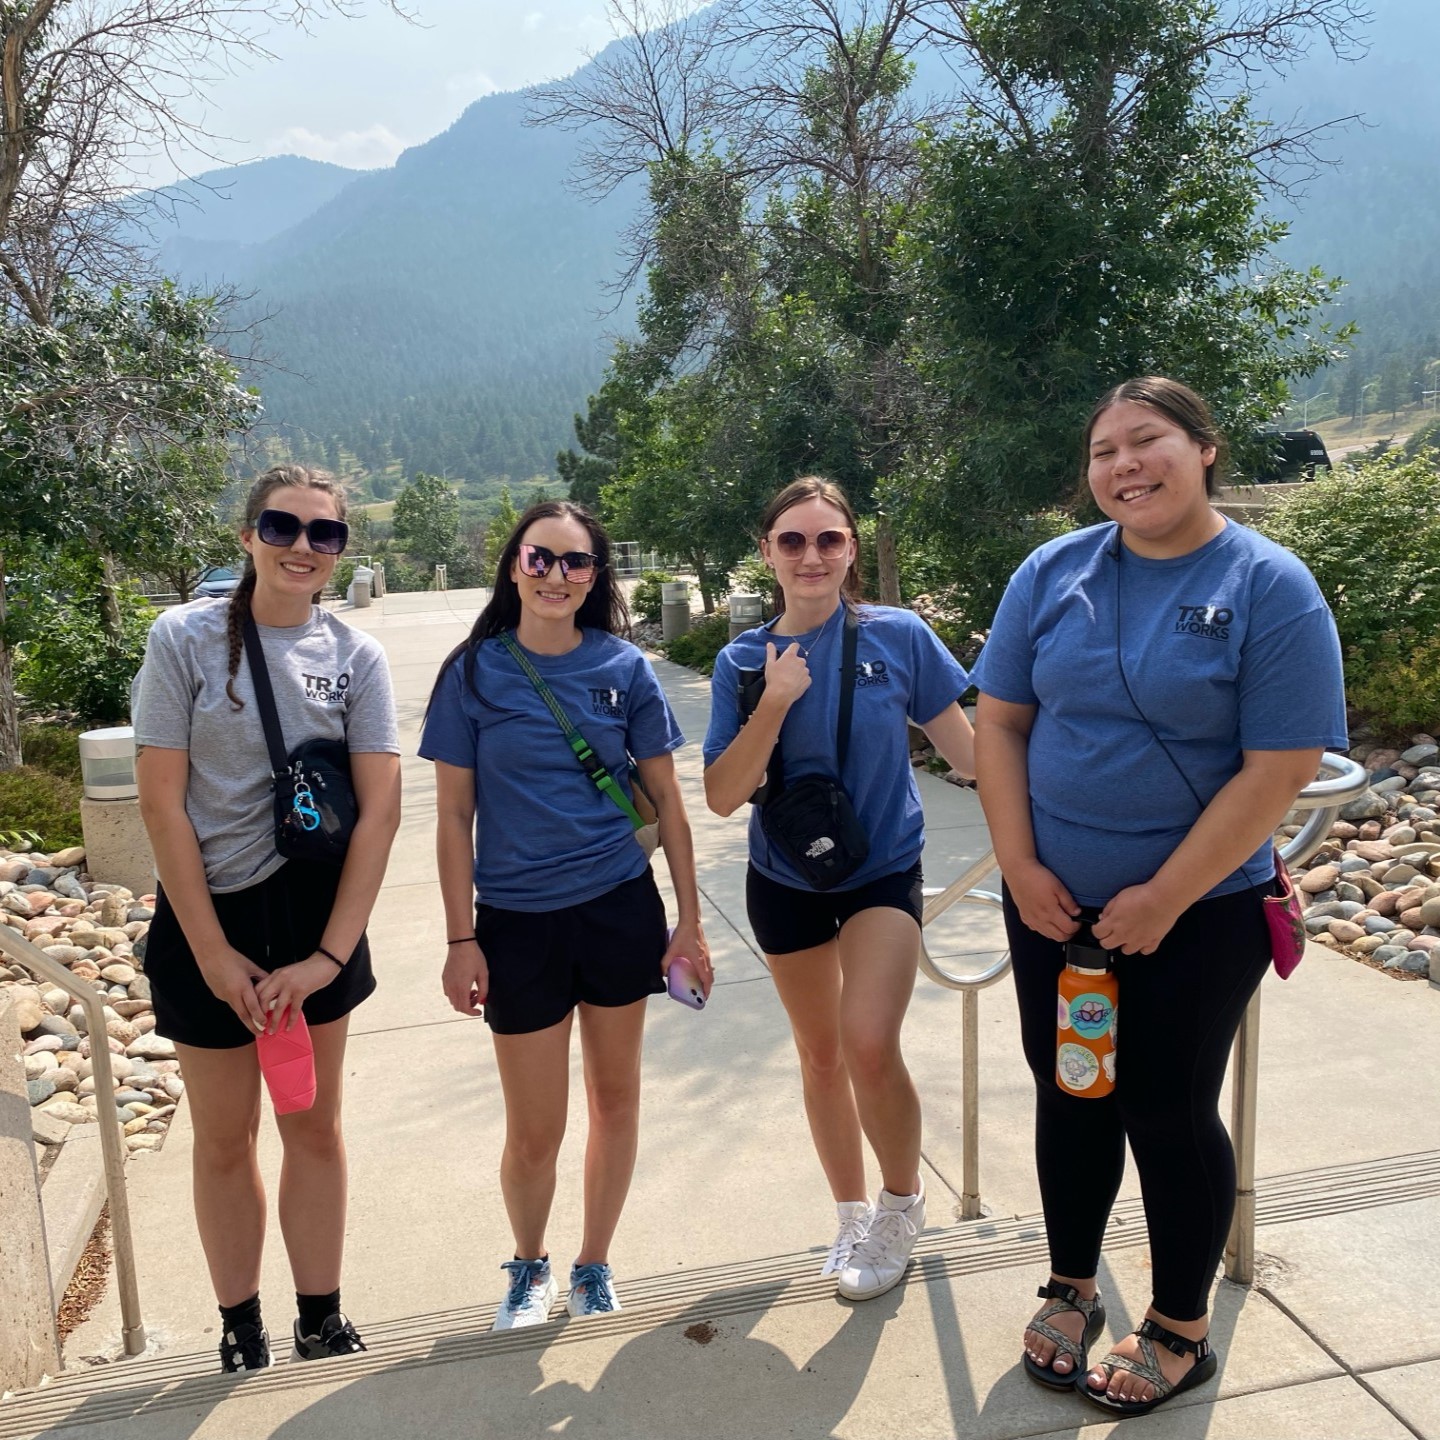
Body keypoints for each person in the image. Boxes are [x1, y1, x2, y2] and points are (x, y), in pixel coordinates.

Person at [970, 377, 1347, 1416]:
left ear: (1205, 449)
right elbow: (998, 722)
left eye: (1148, 441)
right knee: (1071, 1088)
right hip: (1054, 907)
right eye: (1104, 452)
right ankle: (1072, 1282)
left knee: (1165, 1107)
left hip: (1201, 911)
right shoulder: (1052, 572)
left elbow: (1280, 765)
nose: (1124, 465)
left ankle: (1180, 1324)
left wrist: (1165, 898)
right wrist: (1019, 865)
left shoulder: (1269, 586)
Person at [133, 465, 401, 1372]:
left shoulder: (356, 659)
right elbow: (163, 806)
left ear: (341, 551)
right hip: (207, 919)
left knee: (313, 1126)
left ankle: (319, 1313)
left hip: (313, 921)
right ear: (247, 534)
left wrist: (329, 957)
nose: (301, 547)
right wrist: (209, 952)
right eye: (282, 527)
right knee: (222, 1137)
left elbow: (381, 811)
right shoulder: (184, 640)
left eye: (323, 534)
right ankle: (238, 1321)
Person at [420, 500, 710, 1329]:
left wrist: (688, 922)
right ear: (514, 565)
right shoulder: (473, 672)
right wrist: (459, 938)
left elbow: (669, 804)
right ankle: (528, 1264)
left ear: (595, 576)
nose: (555, 575)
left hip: (619, 910)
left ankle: (593, 1265)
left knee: (617, 1101)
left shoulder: (625, 668)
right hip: (516, 922)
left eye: (574, 562)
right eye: (539, 559)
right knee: (534, 1129)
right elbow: (451, 817)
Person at [703, 477, 976, 1301]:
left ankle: (902, 1205)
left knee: (866, 1041)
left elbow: (967, 754)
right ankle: (852, 1214)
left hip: (881, 868)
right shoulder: (743, 659)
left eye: (829, 539)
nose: (811, 555)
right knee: (821, 1057)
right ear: (767, 553)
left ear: (851, 548)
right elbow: (722, 794)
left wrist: (1059, 819)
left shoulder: (898, 636)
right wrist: (776, 702)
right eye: (793, 541)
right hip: (783, 877)